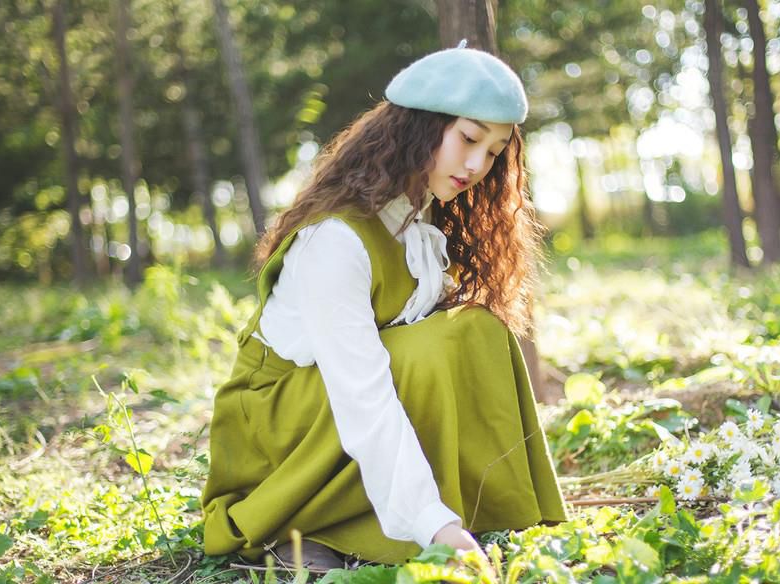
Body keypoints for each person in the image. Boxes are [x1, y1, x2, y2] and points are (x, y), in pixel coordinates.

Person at [201, 41, 568, 569]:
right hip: (275, 442)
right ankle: (303, 525)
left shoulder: (417, 226)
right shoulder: (336, 239)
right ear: (418, 125)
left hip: (330, 412)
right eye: (467, 137)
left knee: (475, 330)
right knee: (435, 345)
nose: (476, 164)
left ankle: (473, 510)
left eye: (493, 151)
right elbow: (364, 396)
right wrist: (434, 527)